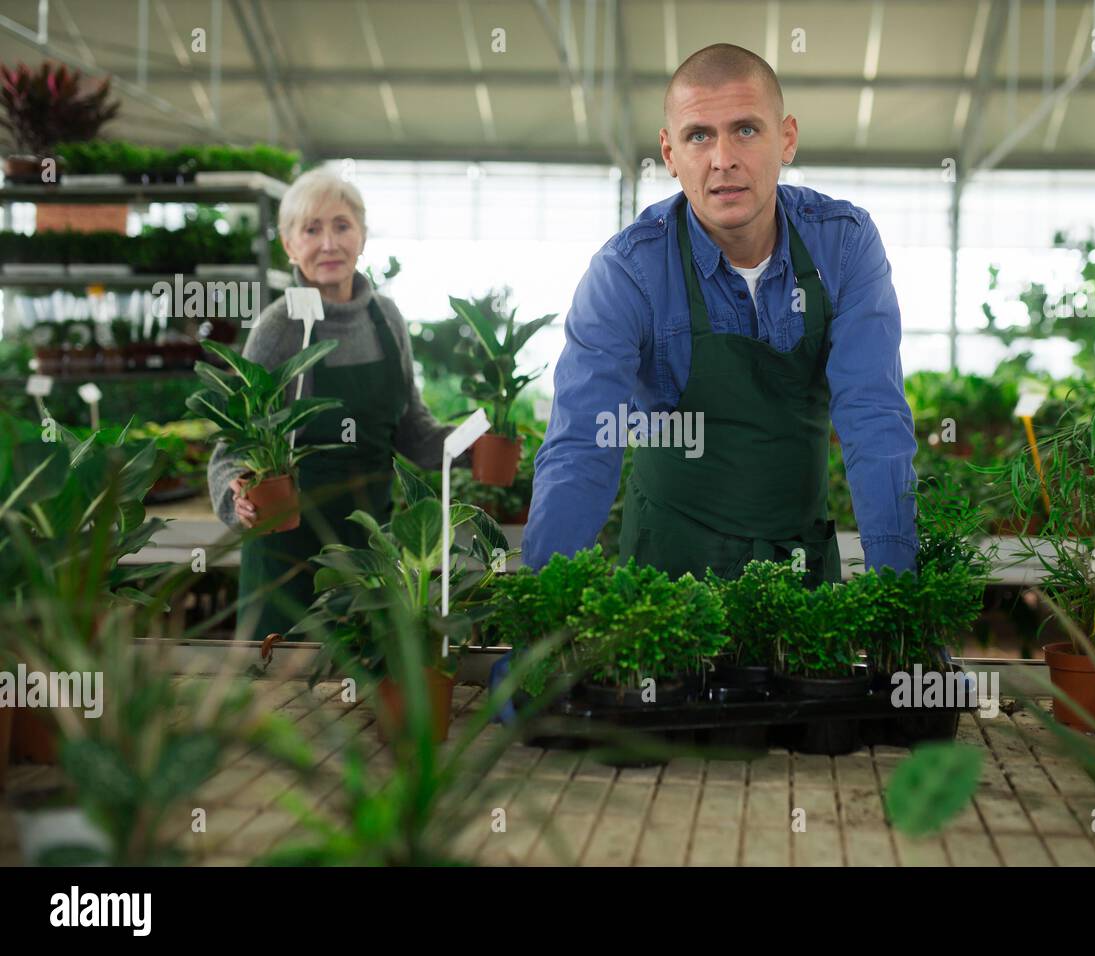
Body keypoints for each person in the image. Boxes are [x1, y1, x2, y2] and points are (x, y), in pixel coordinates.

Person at [521, 43, 918, 585]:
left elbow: (873, 418)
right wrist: (544, 614)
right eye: (698, 135)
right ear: (669, 152)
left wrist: (902, 597)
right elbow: (584, 442)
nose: (722, 158)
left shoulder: (843, 246)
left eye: (747, 130)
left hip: (798, 572)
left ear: (788, 138)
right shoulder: (628, 272)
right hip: (666, 573)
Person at [207, 168, 460, 641]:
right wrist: (235, 495)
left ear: (362, 235)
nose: (329, 243)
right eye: (311, 229)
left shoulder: (386, 319)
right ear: (288, 245)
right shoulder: (277, 327)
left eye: (342, 226)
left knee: (362, 699)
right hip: (286, 559)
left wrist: (470, 441)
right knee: (283, 704)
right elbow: (232, 446)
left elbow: (412, 431)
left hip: (369, 554)